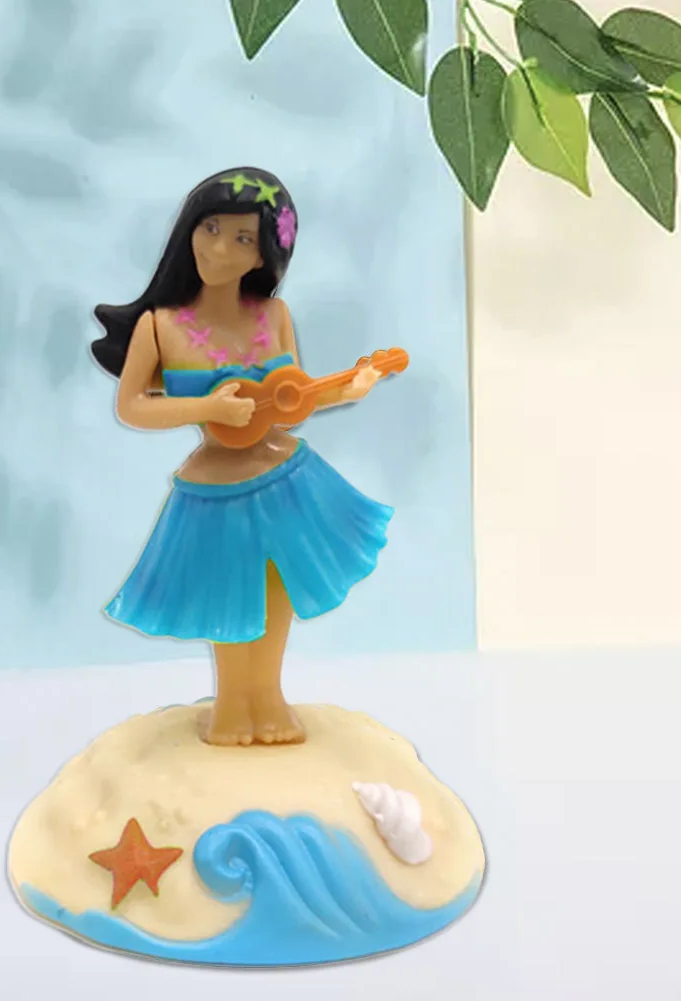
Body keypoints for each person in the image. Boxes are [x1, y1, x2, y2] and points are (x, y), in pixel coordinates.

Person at [91, 167, 393, 747]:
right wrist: (207, 408)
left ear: (263, 256)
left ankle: (268, 695)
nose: (218, 249)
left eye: (242, 238)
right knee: (231, 594)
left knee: (277, 589)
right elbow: (132, 406)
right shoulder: (161, 326)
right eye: (210, 228)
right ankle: (232, 703)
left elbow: (288, 403)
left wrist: (346, 390)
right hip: (216, 488)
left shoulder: (272, 317)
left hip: (283, 477)